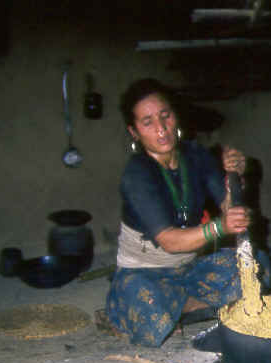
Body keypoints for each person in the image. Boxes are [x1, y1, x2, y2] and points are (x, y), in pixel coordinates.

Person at [104, 78, 250, 347]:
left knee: (254, 268)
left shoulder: (196, 155)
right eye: (147, 122)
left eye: (165, 116)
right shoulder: (137, 174)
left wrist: (234, 180)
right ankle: (133, 301)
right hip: (144, 272)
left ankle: (179, 301)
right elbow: (170, 241)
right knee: (150, 320)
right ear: (134, 132)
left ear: (175, 116)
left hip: (189, 268)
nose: (161, 128)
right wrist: (220, 227)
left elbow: (229, 208)